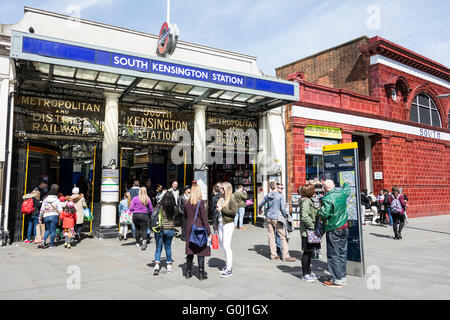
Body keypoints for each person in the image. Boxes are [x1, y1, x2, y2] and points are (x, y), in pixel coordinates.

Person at [318, 180, 351, 288]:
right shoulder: (342, 193)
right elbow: (347, 189)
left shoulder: (326, 199)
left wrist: (318, 211)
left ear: (325, 188)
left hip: (333, 228)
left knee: (333, 254)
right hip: (344, 226)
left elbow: (325, 214)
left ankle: (337, 280)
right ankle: (342, 276)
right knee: (342, 252)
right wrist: (345, 183)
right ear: (334, 186)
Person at [258, 181, 296, 262]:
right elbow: (282, 208)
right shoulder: (280, 196)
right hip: (277, 217)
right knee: (283, 236)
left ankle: (273, 255)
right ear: (276, 187)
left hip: (268, 217)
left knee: (271, 237)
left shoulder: (267, 196)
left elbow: (260, 204)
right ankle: (285, 256)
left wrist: (260, 210)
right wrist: (286, 216)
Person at [184, 182, 211, 280]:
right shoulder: (200, 202)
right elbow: (204, 219)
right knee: (201, 250)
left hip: (189, 229)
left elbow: (185, 216)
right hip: (199, 229)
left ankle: (188, 272)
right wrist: (209, 232)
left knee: (190, 251)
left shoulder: (186, 202)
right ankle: (201, 274)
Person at [299, 183, 321, 283]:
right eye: (313, 189)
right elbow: (305, 216)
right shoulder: (306, 202)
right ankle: (305, 274)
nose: (315, 191)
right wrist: (312, 226)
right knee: (307, 252)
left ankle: (308, 271)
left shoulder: (310, 199)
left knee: (310, 252)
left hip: (310, 230)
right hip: (307, 231)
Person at [153, 188, 178, 276]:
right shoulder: (174, 207)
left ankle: (156, 266)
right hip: (170, 229)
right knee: (168, 247)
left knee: (158, 248)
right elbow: (175, 214)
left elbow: (154, 213)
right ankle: (169, 266)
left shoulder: (159, 205)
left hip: (160, 229)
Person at [216, 182, 238, 278]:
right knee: (222, 244)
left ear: (226, 189)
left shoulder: (231, 198)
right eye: (220, 188)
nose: (220, 190)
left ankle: (229, 268)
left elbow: (233, 212)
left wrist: (222, 209)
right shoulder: (222, 198)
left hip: (228, 224)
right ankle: (227, 265)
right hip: (221, 222)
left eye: (222, 188)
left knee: (226, 245)